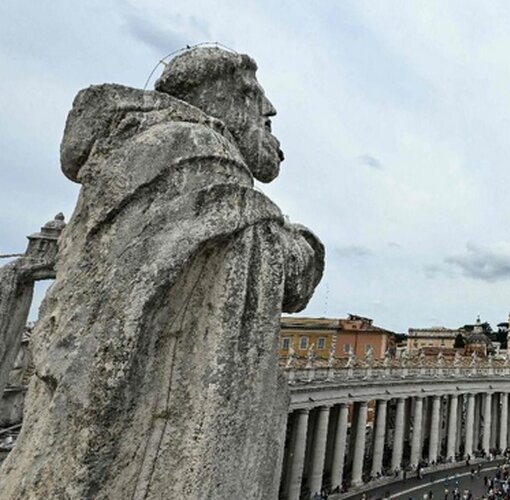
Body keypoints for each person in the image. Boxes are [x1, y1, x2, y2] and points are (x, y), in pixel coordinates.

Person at [0, 47, 324, 499]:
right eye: (260, 105)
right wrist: (305, 242)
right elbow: (276, 270)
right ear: (231, 100)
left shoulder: (136, 152)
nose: (269, 111)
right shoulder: (197, 153)